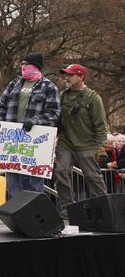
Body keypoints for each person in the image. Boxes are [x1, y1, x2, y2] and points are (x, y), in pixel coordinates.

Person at [0, 52, 61, 196]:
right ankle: (16, 208)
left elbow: (54, 113)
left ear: (35, 66)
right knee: (13, 180)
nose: (23, 66)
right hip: (12, 139)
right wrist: (0, 123)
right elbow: (1, 106)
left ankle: (34, 208)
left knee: (33, 182)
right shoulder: (15, 83)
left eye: (26, 64)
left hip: (34, 143)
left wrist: (35, 121)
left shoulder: (48, 86)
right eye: (22, 64)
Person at [53, 64, 108, 217]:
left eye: (71, 75)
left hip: (87, 144)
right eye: (66, 75)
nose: (67, 78)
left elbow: (100, 124)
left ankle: (103, 207)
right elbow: (57, 119)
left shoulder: (93, 97)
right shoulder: (62, 96)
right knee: (61, 171)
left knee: (93, 177)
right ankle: (67, 208)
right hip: (66, 143)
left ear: (81, 77)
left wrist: (101, 146)